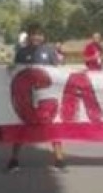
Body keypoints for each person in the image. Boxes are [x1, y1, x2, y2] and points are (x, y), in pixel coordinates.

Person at [7, 23, 65, 172]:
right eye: (33, 34)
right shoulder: (21, 52)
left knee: (53, 126)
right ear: (29, 36)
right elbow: (15, 73)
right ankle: (14, 160)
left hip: (46, 96)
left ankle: (59, 160)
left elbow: (58, 72)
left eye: (39, 34)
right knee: (20, 126)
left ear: (43, 36)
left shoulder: (50, 51)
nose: (36, 37)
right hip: (26, 96)